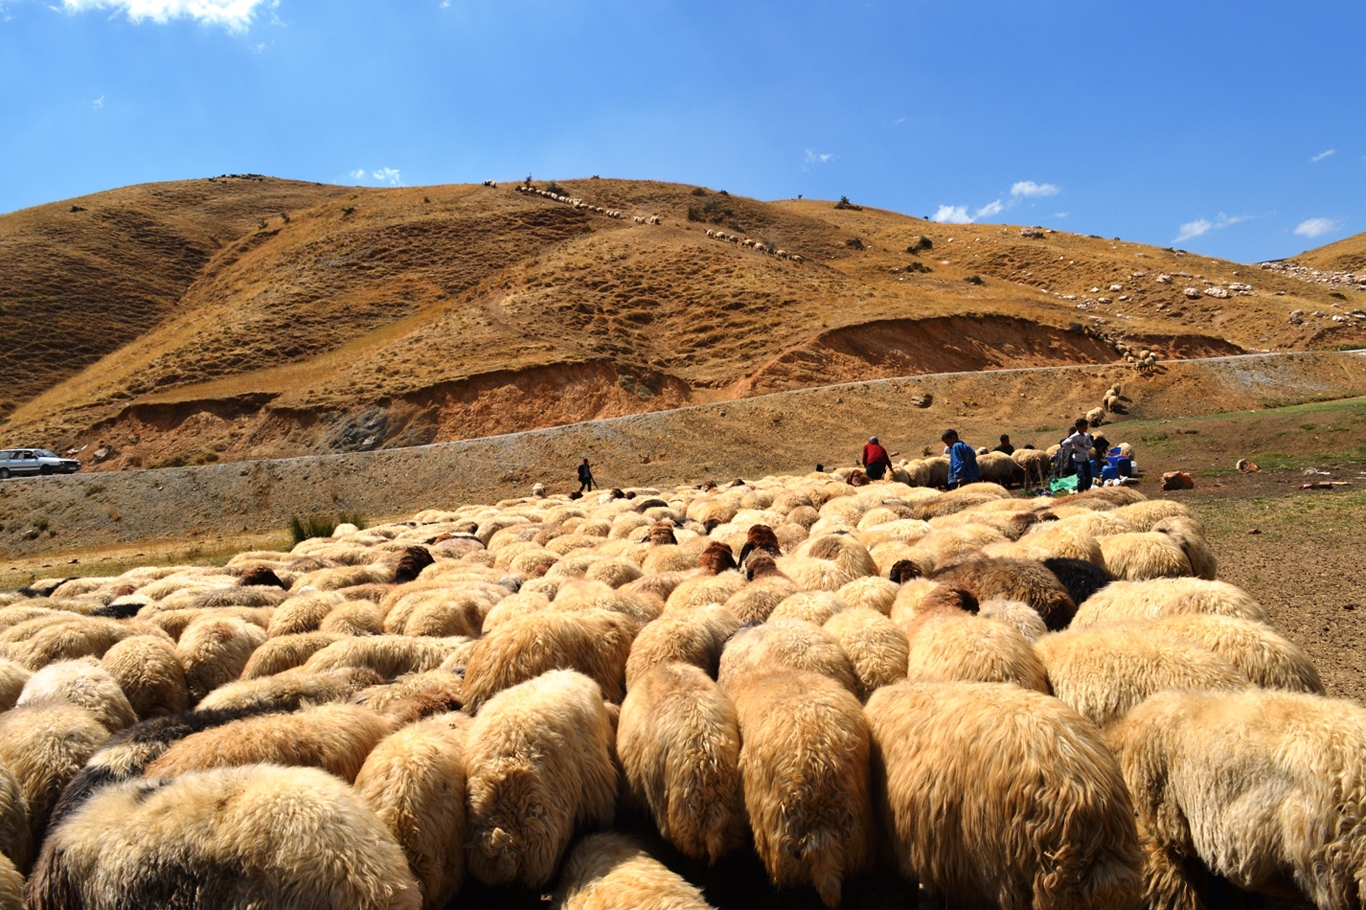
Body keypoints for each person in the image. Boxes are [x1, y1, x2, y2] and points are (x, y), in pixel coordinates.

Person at [1063, 419, 1095, 492]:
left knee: (1089, 477)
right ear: (1079, 427)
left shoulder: (1087, 436)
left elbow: (1090, 446)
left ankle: (1087, 490)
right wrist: (1072, 449)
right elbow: (1064, 443)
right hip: (1079, 460)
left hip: (1086, 459)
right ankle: (1080, 492)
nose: (1087, 428)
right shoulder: (1074, 437)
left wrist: (1083, 445)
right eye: (1085, 426)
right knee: (1080, 477)